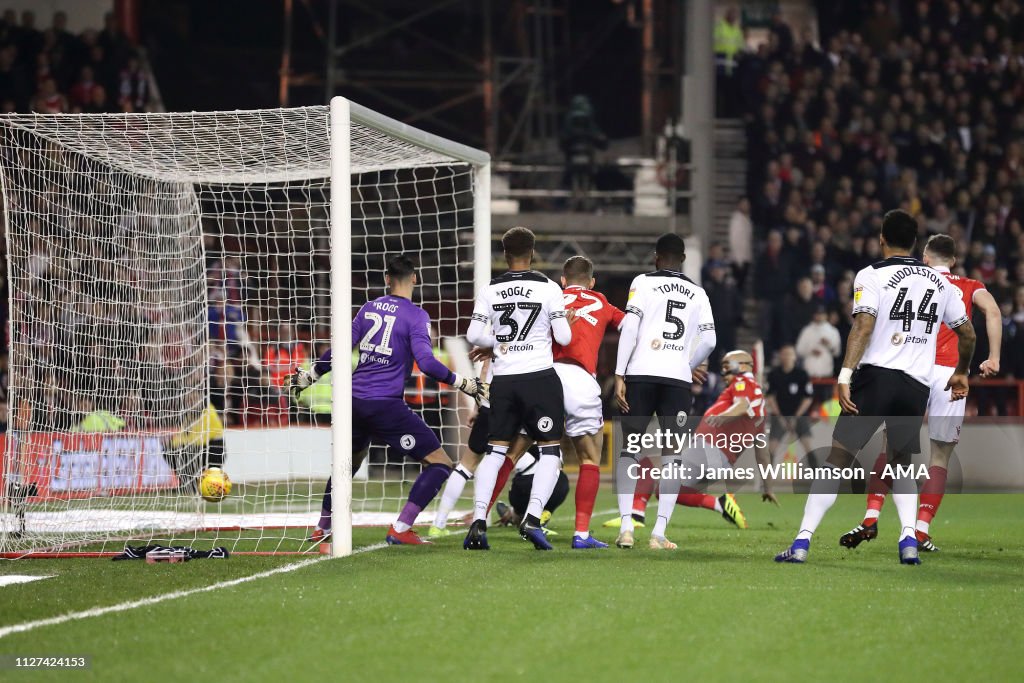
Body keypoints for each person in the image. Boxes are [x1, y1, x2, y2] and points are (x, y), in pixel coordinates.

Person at [775, 210, 975, 565]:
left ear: (882, 238)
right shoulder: (942, 283)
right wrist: (961, 371)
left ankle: (802, 543)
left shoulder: (871, 274)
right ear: (915, 243)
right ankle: (908, 542)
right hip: (916, 385)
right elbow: (968, 333)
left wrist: (844, 376)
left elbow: (863, 327)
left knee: (836, 460)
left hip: (876, 377)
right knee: (901, 466)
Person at [294, 255, 484, 545]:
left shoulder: (368, 308)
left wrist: (311, 375)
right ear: (415, 278)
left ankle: (322, 526)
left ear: (386, 279)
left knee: (348, 465)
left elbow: (341, 347)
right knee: (440, 464)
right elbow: (428, 364)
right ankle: (401, 528)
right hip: (384, 404)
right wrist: (465, 383)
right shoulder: (416, 315)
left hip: (353, 402)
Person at [841, 234, 1002, 552]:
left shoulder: (916, 279)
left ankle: (871, 516)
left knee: (893, 448)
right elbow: (993, 312)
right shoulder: (969, 285)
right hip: (950, 373)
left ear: (925, 259)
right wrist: (993, 356)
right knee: (940, 455)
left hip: (915, 369)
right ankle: (922, 530)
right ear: (953, 261)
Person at [498, 255, 625, 549]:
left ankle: (479, 519)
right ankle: (581, 534)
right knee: (589, 460)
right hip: (581, 381)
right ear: (592, 282)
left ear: (563, 281)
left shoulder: (550, 295)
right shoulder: (600, 301)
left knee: (512, 452)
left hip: (545, 378)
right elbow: (629, 325)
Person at [464, 227, 572, 550]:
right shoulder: (549, 288)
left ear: (505, 255)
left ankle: (478, 522)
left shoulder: (490, 289)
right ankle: (533, 518)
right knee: (551, 449)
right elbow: (564, 337)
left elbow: (473, 334)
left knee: (495, 452)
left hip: (505, 380)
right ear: (533, 253)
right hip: (539, 377)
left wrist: (500, 342)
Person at [612, 233, 717, 549]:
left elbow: (630, 327)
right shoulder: (698, 293)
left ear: (656, 256)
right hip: (676, 380)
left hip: (641, 374)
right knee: (673, 457)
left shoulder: (643, 282)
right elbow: (709, 341)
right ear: (683, 259)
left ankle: (627, 528)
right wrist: (686, 362)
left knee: (630, 451)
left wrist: (619, 373)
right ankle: (658, 533)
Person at [648, 350, 777, 549]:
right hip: (721, 462)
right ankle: (720, 504)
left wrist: (723, 416)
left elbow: (741, 406)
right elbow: (763, 454)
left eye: (728, 365)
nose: (724, 371)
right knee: (667, 491)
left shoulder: (744, 383)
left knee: (650, 468)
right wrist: (768, 487)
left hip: (709, 448)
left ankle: (644, 527)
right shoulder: (760, 412)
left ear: (744, 365)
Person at [765, 345, 815, 465]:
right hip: (780, 415)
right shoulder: (774, 374)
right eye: (784, 354)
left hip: (800, 415)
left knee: (808, 446)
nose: (787, 357)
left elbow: (808, 398)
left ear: (794, 356)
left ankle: (818, 477)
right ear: (780, 356)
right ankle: (766, 479)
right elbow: (770, 396)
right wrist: (780, 416)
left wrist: (796, 417)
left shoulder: (802, 374)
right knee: (771, 448)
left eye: (790, 354)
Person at [795, 305, 842, 405]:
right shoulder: (807, 331)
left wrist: (828, 344)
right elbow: (798, 350)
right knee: (808, 405)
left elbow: (837, 352)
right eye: (817, 314)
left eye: (822, 314)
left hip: (826, 376)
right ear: (814, 315)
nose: (819, 316)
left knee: (825, 407)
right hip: (809, 375)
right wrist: (810, 351)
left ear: (826, 316)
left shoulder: (832, 331)